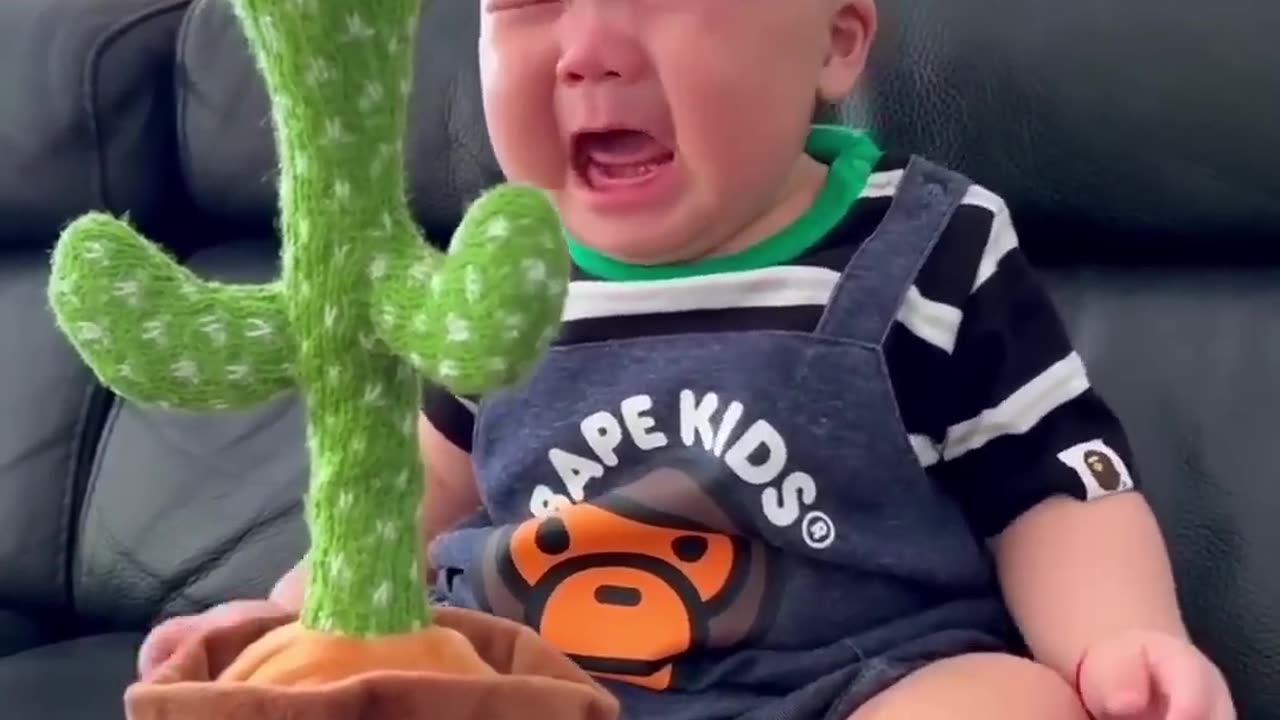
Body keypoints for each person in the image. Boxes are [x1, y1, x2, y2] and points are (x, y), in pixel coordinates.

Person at [139, 1, 1234, 718]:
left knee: (1004, 707)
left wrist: (1121, 638)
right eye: (527, 0)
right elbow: (413, 487)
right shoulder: (500, 266)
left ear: (836, 40)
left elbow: (1052, 490)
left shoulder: (927, 249)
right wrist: (300, 613)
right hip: (525, 679)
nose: (588, 50)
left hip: (852, 680)